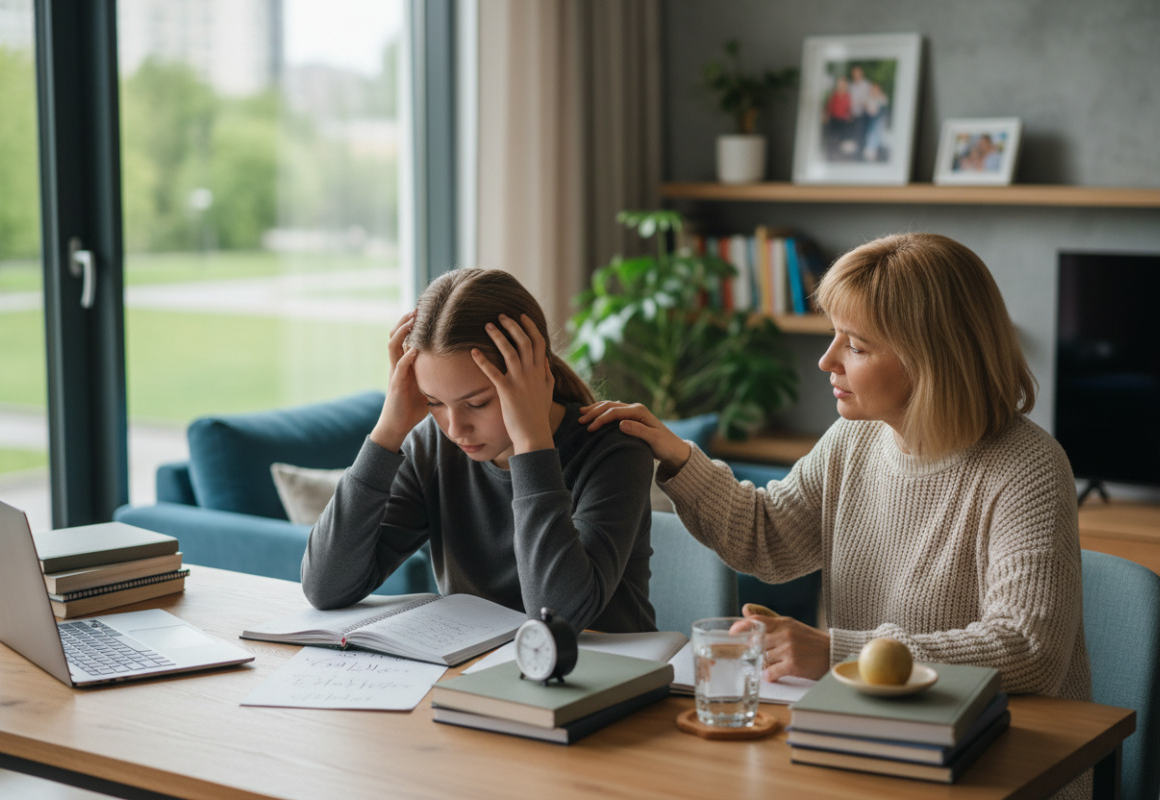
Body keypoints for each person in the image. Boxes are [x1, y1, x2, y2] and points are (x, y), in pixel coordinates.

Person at [580, 232, 1091, 700]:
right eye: (834, 335)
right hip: (881, 723)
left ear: (931, 360)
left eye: (856, 345)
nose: (827, 360)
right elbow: (768, 536)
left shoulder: (1027, 468)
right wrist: (677, 456)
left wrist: (839, 653)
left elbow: (1029, 649)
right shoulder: (855, 437)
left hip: (1003, 746)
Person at [302, 267, 657, 633]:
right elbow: (326, 587)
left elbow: (559, 616)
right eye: (434, 402)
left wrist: (531, 446)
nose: (456, 429)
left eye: (477, 403)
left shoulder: (615, 451)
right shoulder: (431, 446)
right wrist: (387, 433)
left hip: (606, 676)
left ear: (535, 376)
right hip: (475, 675)